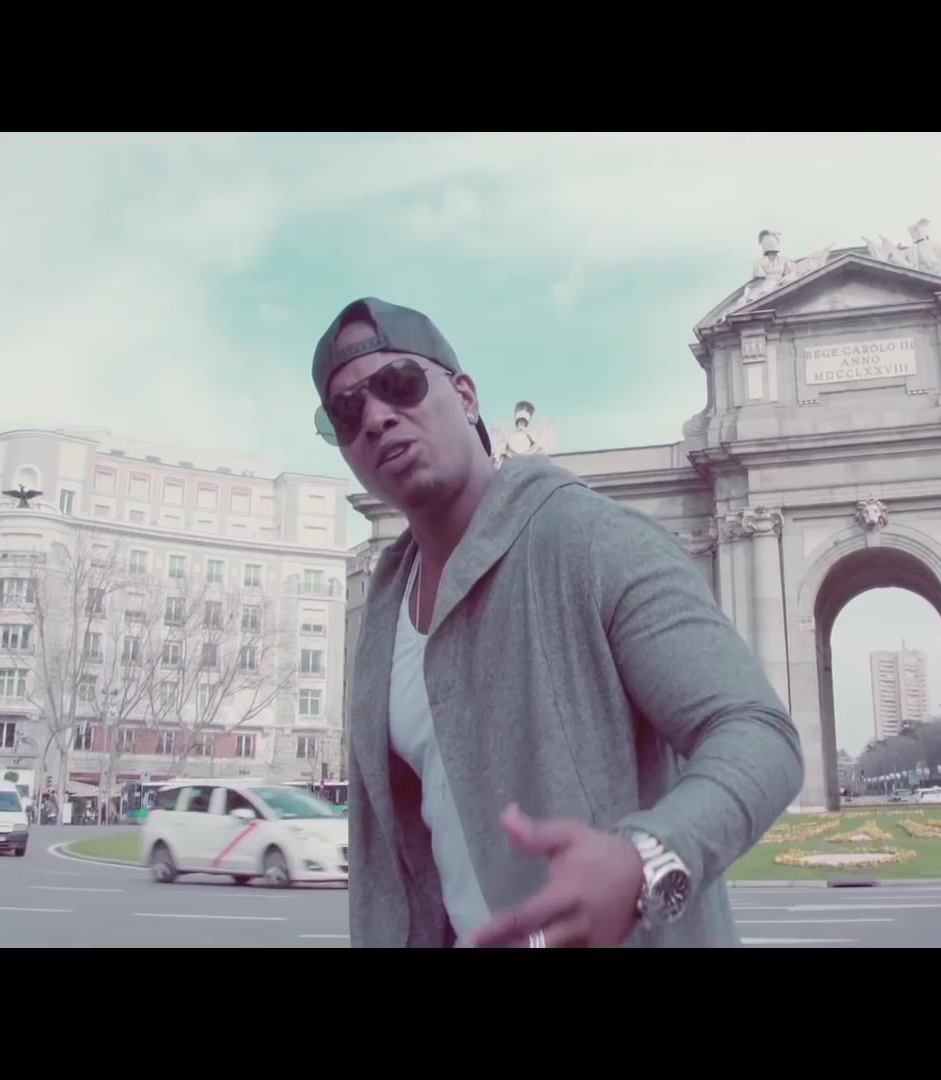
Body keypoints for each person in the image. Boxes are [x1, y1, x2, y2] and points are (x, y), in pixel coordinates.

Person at [312, 297, 804, 948]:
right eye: (347, 412)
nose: (375, 417)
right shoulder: (382, 614)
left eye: (399, 383)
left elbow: (759, 733)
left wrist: (645, 857)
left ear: (466, 396)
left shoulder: (590, 540)